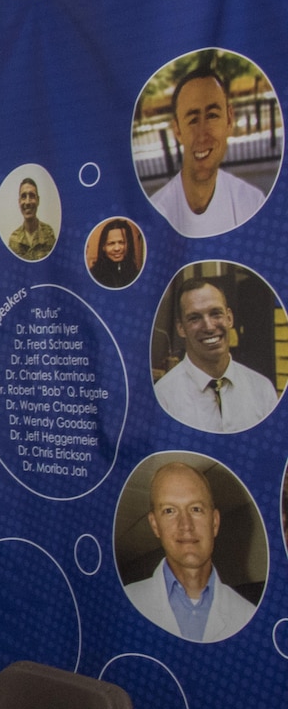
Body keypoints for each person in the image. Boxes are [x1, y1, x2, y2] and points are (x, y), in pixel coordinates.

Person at [122, 461, 258, 642]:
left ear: (215, 522)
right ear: (155, 525)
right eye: (169, 511)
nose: (185, 525)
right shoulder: (123, 602)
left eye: (196, 509)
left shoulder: (248, 616)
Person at [148, 56, 267, 237]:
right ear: (177, 130)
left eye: (212, 116)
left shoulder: (252, 203)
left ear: (229, 119)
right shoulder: (156, 212)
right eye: (193, 119)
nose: (203, 134)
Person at [153, 275, 279, 433]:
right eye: (195, 318)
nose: (209, 326)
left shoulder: (262, 389)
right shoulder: (163, 397)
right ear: (181, 328)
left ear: (229, 318)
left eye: (215, 313)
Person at [6, 177, 56, 259]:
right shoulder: (14, 240)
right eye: (23, 196)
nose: (27, 202)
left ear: (38, 200)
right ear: (19, 202)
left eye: (32, 196)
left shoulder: (49, 234)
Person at [89, 218, 141, 288]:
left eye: (121, 242)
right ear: (103, 247)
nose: (117, 248)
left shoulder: (135, 274)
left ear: (128, 244)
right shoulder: (94, 275)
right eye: (111, 243)